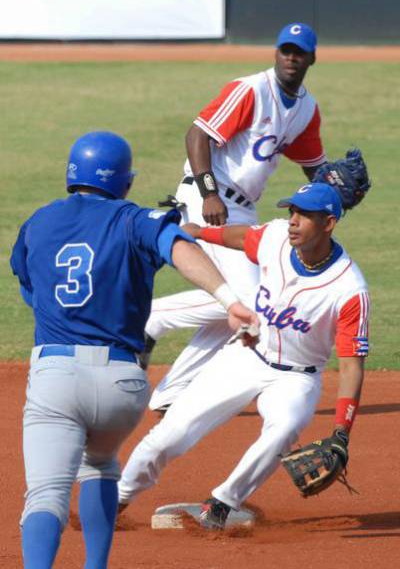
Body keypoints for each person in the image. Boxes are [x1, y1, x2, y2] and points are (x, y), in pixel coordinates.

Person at [10, 131, 257, 567]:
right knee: (102, 467)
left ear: (71, 175)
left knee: (46, 494)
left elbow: (30, 289)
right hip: (122, 385)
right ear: (125, 182)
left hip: (57, 377)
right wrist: (229, 300)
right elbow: (181, 247)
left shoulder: (38, 222)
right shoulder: (135, 219)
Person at [118, 182, 370, 530]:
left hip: (296, 378)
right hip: (247, 353)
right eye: (292, 211)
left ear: (328, 224)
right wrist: (199, 232)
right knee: (170, 433)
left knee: (284, 429)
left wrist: (342, 432)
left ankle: (221, 503)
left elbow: (351, 365)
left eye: (305, 215)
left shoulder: (348, 289)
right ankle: (117, 497)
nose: (294, 221)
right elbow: (238, 238)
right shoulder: (276, 236)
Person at [141, 22, 329, 413]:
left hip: (242, 206)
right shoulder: (251, 90)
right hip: (206, 196)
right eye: (285, 50)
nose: (291, 58)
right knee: (253, 301)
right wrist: (208, 190)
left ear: (311, 58)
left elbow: (316, 169)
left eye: (299, 52)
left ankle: (171, 389)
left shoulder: (306, 110)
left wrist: (338, 193)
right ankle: (155, 320)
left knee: (242, 303)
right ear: (276, 53)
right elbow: (197, 135)